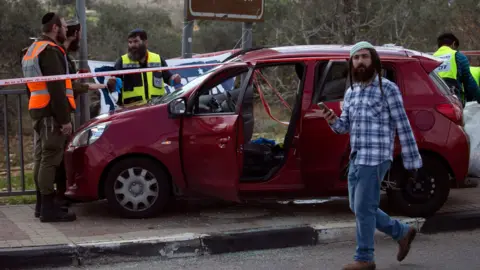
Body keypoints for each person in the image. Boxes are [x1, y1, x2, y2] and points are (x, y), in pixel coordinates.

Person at [315, 41, 420, 270]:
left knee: (363, 208)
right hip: (357, 156)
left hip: (376, 157)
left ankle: (365, 258)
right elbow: (344, 127)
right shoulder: (351, 92)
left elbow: (403, 124)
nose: (360, 62)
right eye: (356, 58)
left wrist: (413, 161)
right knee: (359, 206)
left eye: (364, 57)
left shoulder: (388, 88)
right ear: (351, 63)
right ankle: (401, 232)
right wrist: (331, 118)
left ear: (373, 60)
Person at [21, 12, 76, 222]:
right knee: (50, 160)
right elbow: (57, 88)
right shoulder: (51, 51)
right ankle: (48, 209)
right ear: (55, 28)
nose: (66, 30)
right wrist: (64, 120)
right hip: (51, 114)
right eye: (63, 26)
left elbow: (30, 86)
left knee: (41, 159)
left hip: (38, 110)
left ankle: (41, 206)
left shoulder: (31, 50)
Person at [107, 29, 181, 105]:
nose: (132, 45)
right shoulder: (122, 61)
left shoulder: (157, 59)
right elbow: (112, 87)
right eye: (130, 42)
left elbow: (168, 78)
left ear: (145, 43)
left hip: (156, 107)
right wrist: (112, 84)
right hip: (131, 110)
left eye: (136, 41)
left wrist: (174, 79)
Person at [433, 33, 480, 105]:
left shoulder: (429, 58)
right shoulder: (458, 56)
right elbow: (469, 83)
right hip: (453, 101)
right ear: (453, 44)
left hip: (435, 101)